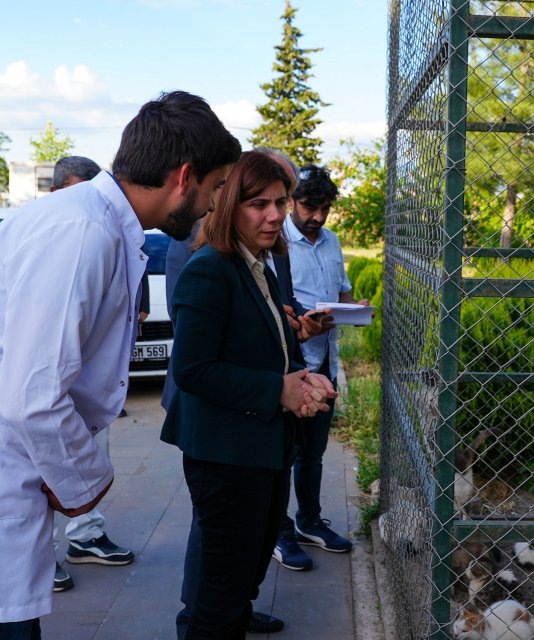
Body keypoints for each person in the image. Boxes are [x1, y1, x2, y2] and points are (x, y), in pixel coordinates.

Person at [0, 91, 241, 639]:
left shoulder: (97, 224)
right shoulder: (80, 231)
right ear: (185, 177)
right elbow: (30, 394)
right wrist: (86, 479)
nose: (213, 204)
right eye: (216, 187)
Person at [162, 150, 336, 639]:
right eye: (259, 203)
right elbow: (193, 369)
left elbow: (263, 345)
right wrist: (276, 390)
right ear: (228, 204)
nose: (275, 215)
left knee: (240, 588)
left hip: (261, 450)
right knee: (216, 602)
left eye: (280, 202)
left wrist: (302, 378)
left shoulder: (254, 262)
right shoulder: (210, 268)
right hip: (226, 456)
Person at [46, 156, 137, 593]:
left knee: (89, 449)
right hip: (48, 390)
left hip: (84, 383)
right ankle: (40, 557)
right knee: (43, 468)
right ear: (55, 193)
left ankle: (84, 536)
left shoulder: (102, 234)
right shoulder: (54, 234)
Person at [271, 164, 365, 572]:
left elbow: (340, 289)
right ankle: (278, 533)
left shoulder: (331, 241)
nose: (318, 217)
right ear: (292, 202)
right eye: (310, 206)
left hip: (325, 360)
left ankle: (309, 521)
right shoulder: (275, 243)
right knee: (279, 454)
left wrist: (352, 307)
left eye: (325, 208)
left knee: (313, 453)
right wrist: (301, 327)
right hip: (289, 363)